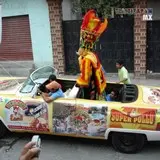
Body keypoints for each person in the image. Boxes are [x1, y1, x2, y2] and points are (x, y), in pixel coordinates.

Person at [76, 9, 108, 100]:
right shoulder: (92, 55)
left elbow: (85, 79)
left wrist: (78, 83)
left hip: (90, 88)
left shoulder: (86, 58)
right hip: (97, 85)